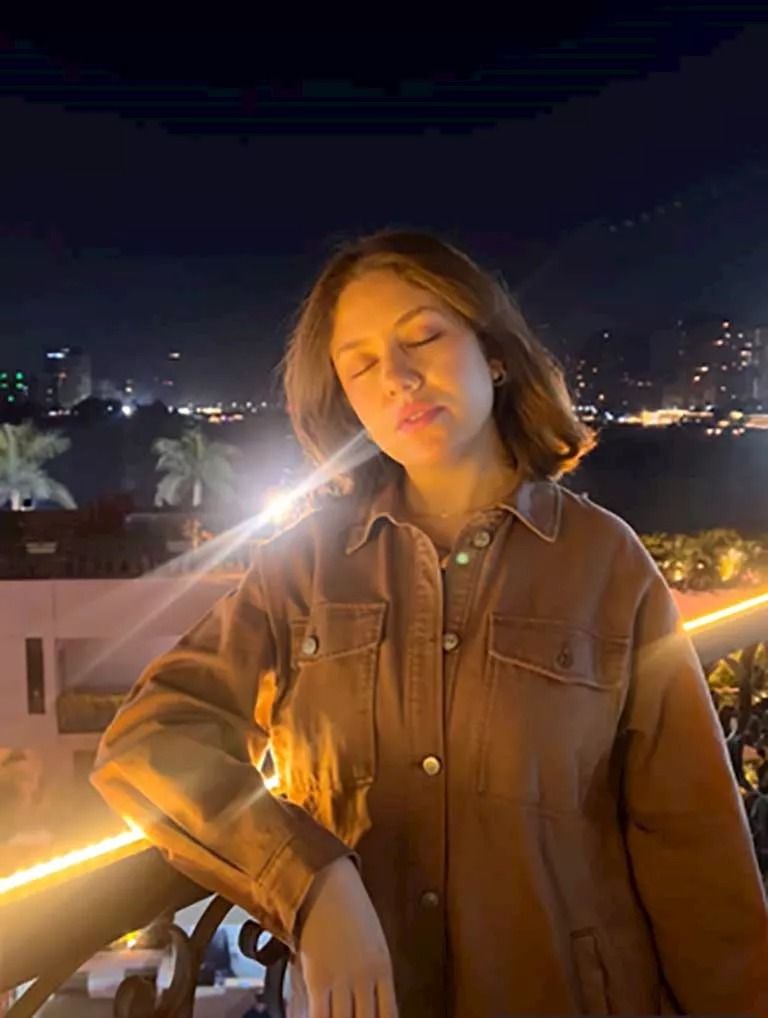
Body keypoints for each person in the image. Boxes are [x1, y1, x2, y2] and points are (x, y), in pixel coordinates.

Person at [91, 231, 768, 1017]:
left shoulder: (604, 566)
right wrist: (307, 878)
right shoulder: (302, 569)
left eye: (423, 337)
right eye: (361, 365)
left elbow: (693, 847)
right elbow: (149, 739)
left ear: (495, 353)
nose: (399, 378)